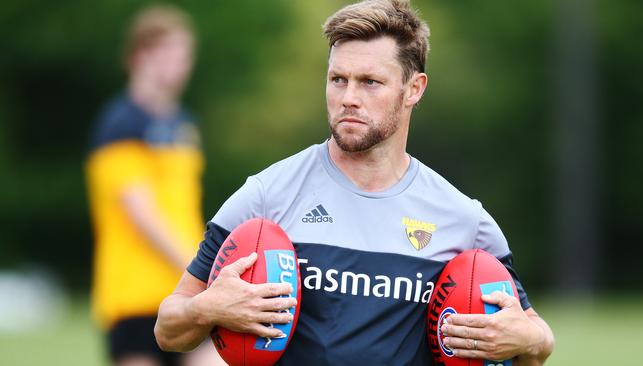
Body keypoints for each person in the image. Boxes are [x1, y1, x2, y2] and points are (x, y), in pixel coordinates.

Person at [154, 0, 555, 364]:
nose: (348, 97)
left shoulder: (464, 220)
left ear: (414, 89)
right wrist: (207, 309)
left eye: (370, 82)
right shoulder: (266, 195)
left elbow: (535, 338)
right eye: (338, 80)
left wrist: (527, 340)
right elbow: (168, 328)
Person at [85, 4, 221, 366]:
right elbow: (141, 214)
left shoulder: (184, 125)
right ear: (139, 55)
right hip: (135, 295)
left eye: (184, 53)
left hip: (187, 293)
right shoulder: (120, 123)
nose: (179, 63)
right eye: (168, 52)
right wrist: (202, 267)